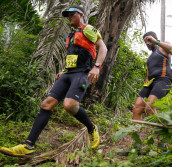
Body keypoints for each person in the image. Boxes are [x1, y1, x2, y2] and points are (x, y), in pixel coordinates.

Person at [0, 5, 107, 158]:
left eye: (71, 14)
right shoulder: (70, 36)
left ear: (80, 14)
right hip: (68, 73)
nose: (69, 17)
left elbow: (103, 47)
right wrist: (64, 69)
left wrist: (97, 67)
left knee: (69, 105)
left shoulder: (88, 29)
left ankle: (91, 128)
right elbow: (73, 56)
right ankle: (28, 145)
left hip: (82, 73)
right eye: (67, 15)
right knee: (47, 104)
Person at [132, 31, 172, 153]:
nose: (147, 43)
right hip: (150, 83)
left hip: (163, 80)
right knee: (137, 108)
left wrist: (156, 41)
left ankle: (162, 143)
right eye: (145, 41)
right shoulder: (149, 58)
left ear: (154, 38)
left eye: (148, 40)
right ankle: (136, 143)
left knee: (150, 107)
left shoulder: (163, 47)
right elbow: (147, 76)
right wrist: (146, 87)